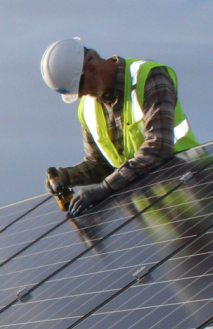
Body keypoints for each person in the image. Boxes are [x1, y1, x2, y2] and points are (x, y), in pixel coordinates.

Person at [40, 38, 202, 216]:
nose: (84, 95)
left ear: (92, 68)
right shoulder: (87, 108)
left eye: (82, 88)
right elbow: (100, 164)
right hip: (159, 213)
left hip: (197, 193)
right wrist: (68, 176)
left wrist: (106, 188)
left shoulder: (147, 76)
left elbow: (159, 146)